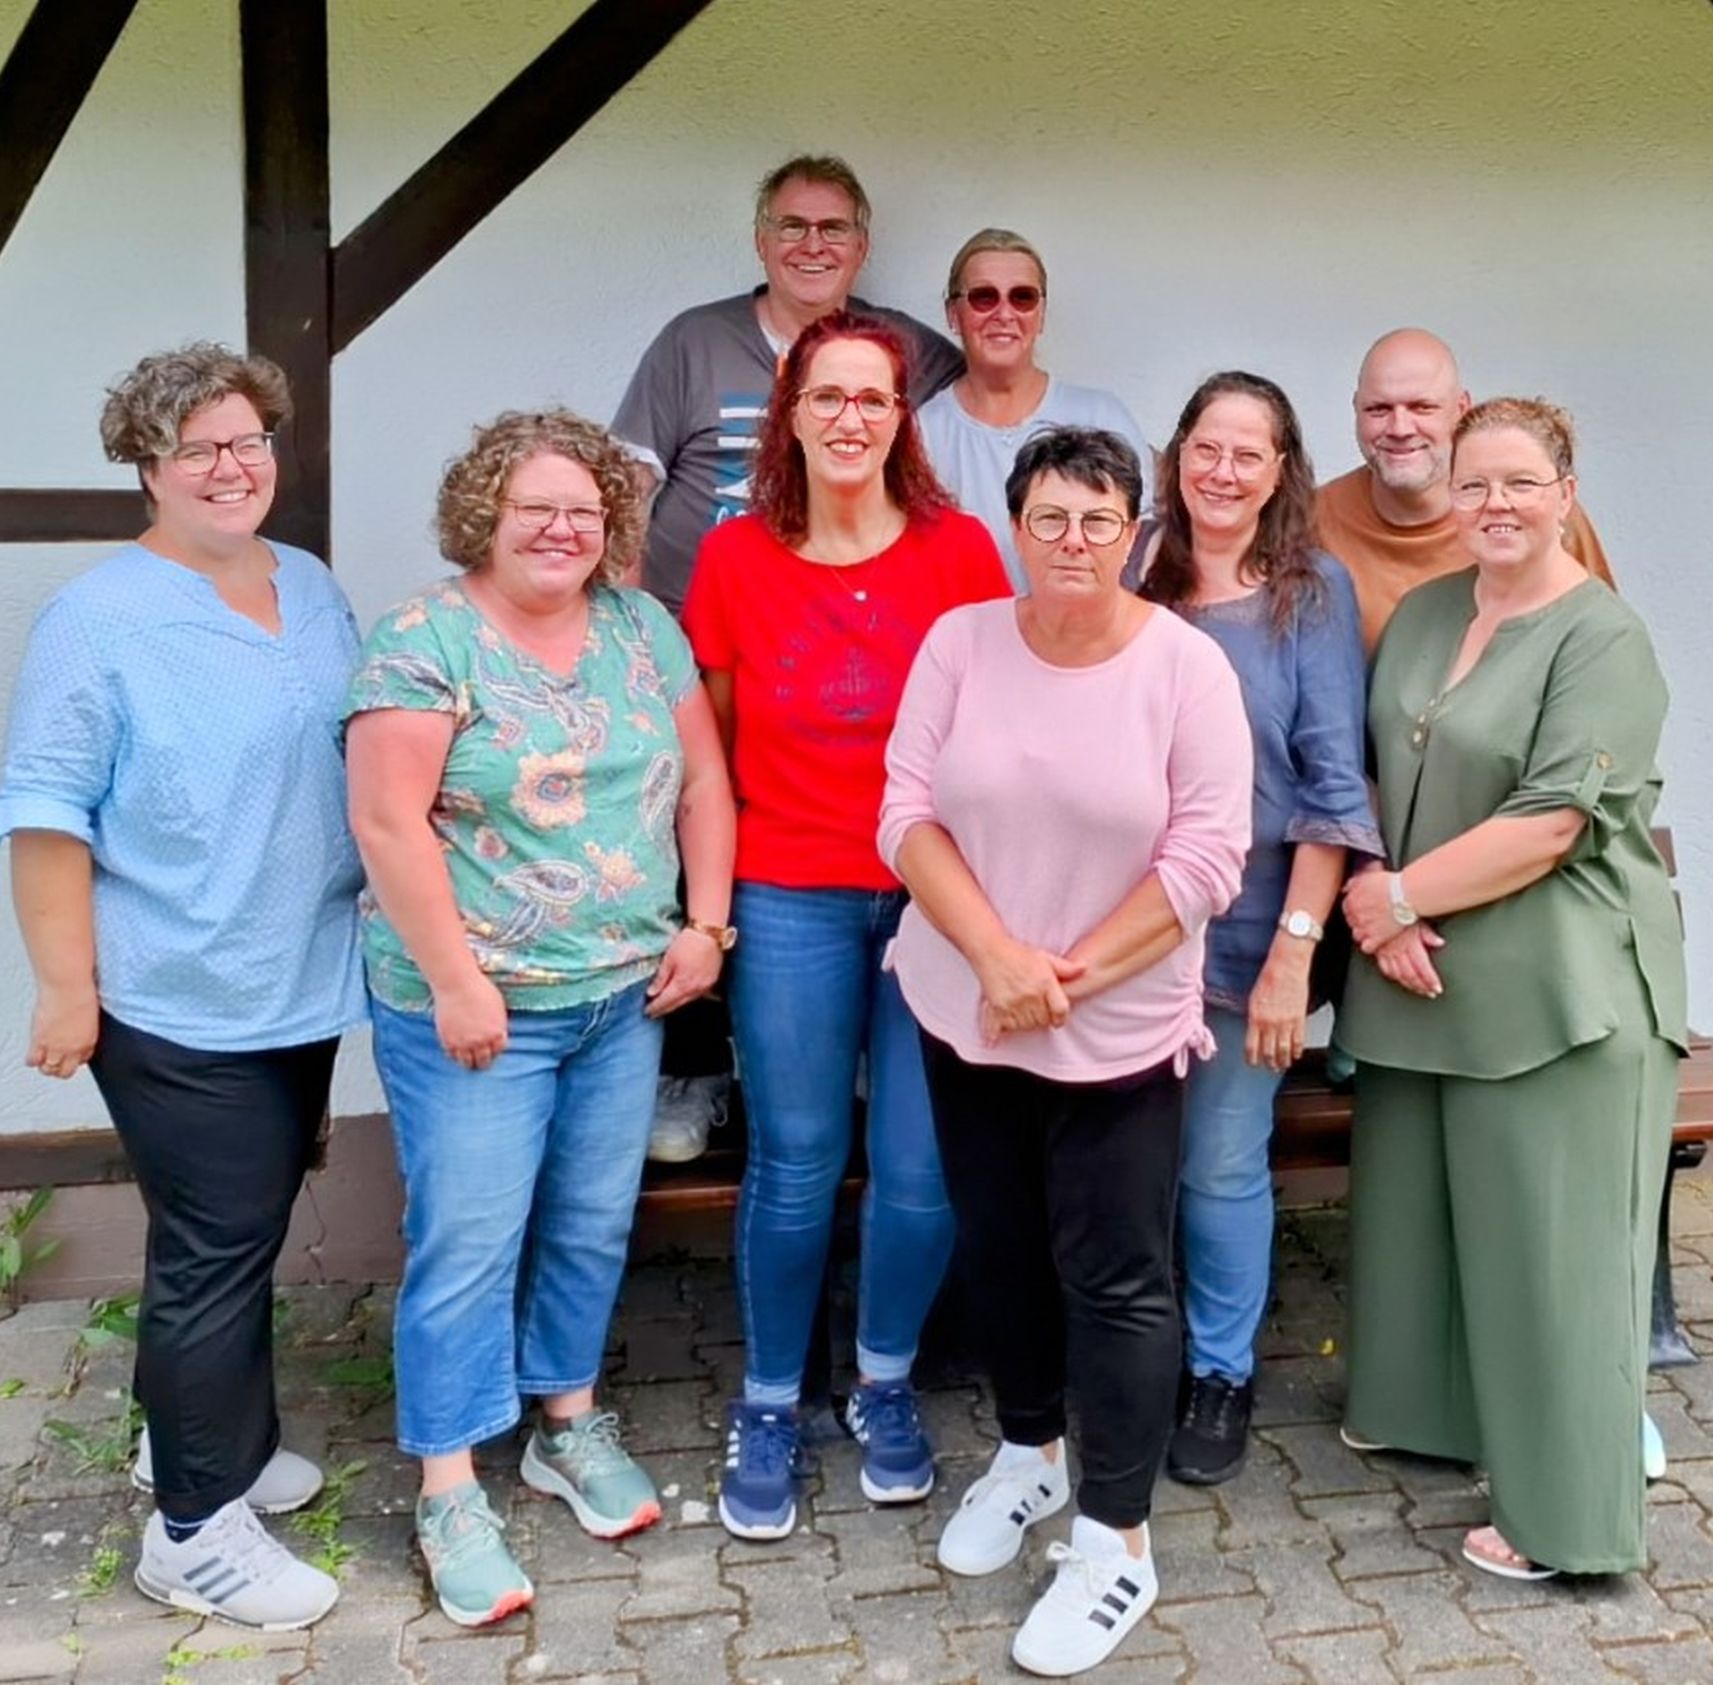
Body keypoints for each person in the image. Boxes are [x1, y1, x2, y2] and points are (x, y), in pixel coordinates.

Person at [0, 343, 362, 1631]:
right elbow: (47, 816)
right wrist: (64, 990)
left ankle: (202, 1449)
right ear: (147, 462)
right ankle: (191, 1531)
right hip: (174, 991)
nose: (231, 467)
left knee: (230, 1234)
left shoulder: (307, 582)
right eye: (198, 447)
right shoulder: (99, 616)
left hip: (298, 974)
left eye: (249, 440)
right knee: (216, 1250)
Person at [345, 409, 734, 1626]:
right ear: (486, 518)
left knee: (587, 1218)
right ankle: (451, 1481)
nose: (564, 529)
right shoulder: (424, 639)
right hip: (478, 1010)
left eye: (586, 510)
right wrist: (460, 980)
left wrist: (704, 926)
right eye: (536, 510)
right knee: (469, 1239)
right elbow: (387, 824)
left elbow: (707, 781)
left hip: (625, 993)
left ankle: (565, 1414)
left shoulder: (640, 626)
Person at [881, 427, 1253, 1676]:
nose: (1074, 543)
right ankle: (1031, 1452)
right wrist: (995, 960)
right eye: (1050, 519)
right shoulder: (960, 642)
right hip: (967, 1005)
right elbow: (908, 813)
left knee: (1118, 1280)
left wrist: (1065, 977)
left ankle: (1116, 1538)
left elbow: (1207, 855)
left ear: (1138, 531)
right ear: (1017, 526)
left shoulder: (1187, 669)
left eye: (1099, 520)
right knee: (999, 1249)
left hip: (1118, 1028)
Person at [1337, 399, 1687, 1581]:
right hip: (1424, 971)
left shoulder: (1604, 635)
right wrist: (1380, 901)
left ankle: (1567, 1521)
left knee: (1556, 1261)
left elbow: (1549, 822)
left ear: (1567, 489)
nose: (1496, 503)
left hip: (1559, 986)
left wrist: (1394, 901)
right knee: (1424, 1224)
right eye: (1475, 481)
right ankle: (1440, 1420)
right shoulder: (1431, 610)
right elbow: (1377, 762)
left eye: (1522, 482)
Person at [682, 311, 1008, 1542]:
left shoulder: (961, 549)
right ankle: (771, 1399)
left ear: (899, 417)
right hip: (792, 888)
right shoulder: (733, 560)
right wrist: (710, 906)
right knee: (797, 1161)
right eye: (829, 395)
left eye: (875, 397)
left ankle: (881, 1382)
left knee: (923, 1170)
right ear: (791, 410)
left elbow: (998, 720)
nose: (852, 417)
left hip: (933, 892)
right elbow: (708, 740)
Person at [613, 154, 963, 1166]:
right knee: (688, 846)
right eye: (794, 226)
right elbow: (630, 480)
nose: (814, 245)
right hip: (692, 638)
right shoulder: (694, 341)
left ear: (862, 245)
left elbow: (976, 411)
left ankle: (826, 1053)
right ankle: (696, 1073)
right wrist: (624, 633)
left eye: (835, 228)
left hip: (832, 641)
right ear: (762, 238)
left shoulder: (903, 352)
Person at [1131, 373, 1382, 1487]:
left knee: (1221, 1162)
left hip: (1250, 934)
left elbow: (1334, 783)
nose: (1222, 471)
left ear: (1282, 470)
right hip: (1126, 932)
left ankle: (1219, 1371)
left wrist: (1294, 951)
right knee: (1121, 1160)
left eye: (1250, 452)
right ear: (1176, 451)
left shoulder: (1310, 592)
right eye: (1206, 446)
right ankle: (1128, 1358)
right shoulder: (1132, 568)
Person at [1315, 328, 1615, 652]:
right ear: (1356, 409)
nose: (1400, 428)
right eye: (1379, 409)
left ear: (1462, 409)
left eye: (1422, 407)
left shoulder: (1536, 512)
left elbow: (1604, 648)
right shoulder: (1308, 520)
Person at [917, 228, 1154, 590]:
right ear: (953, 313)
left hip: (1086, 640)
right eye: (983, 297)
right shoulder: (922, 434)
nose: (1004, 313)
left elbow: (1142, 548)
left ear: (1040, 314)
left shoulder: (1100, 418)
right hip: (968, 641)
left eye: (1022, 298)